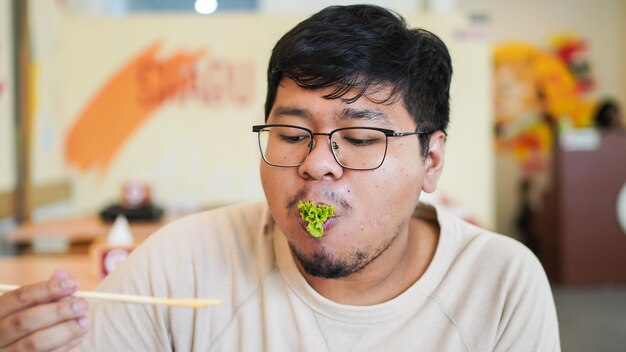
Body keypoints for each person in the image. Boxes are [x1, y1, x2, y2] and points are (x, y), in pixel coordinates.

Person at [0, 5, 560, 351]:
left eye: (361, 140)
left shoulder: (500, 285)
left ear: (430, 161)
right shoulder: (184, 263)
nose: (316, 164)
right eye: (291, 136)